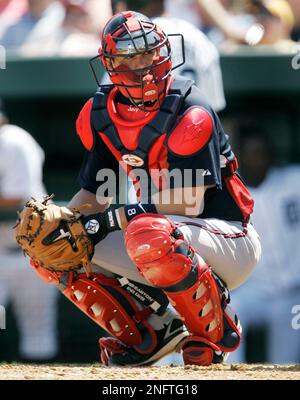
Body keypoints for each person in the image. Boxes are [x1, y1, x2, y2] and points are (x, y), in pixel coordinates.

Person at [23, 10, 261, 367]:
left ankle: (212, 332)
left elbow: (187, 201)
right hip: (158, 235)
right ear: (110, 63)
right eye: (130, 56)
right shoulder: (101, 113)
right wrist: (67, 221)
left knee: (146, 231)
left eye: (149, 52)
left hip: (228, 238)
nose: (144, 64)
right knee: (53, 246)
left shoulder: (190, 108)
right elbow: (92, 196)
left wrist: (107, 221)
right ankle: (149, 332)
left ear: (165, 52)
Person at [228, 126, 300, 364]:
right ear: (240, 157)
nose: (259, 159)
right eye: (252, 153)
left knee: (284, 364)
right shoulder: (230, 197)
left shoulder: (292, 181)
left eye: (263, 152)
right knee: (230, 309)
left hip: (292, 298)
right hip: (254, 293)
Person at [0, 99, 59, 362]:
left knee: (38, 339)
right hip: (3, 253)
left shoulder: (13, 140)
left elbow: (14, 197)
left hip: (30, 254)